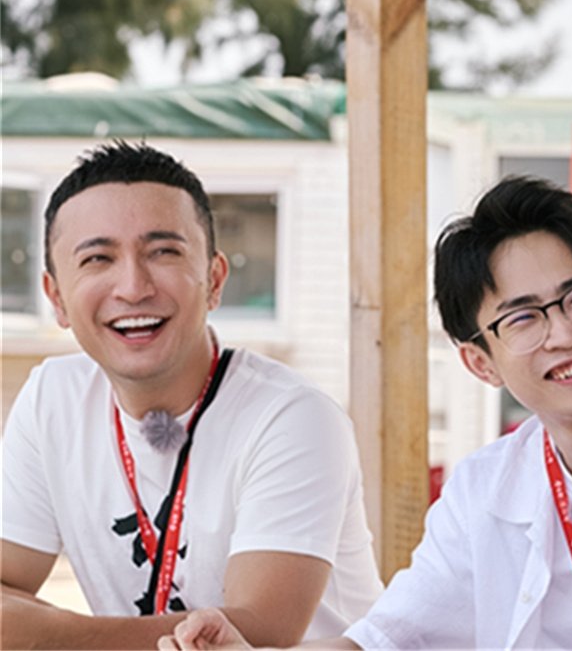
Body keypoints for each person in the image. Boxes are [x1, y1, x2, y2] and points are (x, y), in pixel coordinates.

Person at [162, 175, 572, 650]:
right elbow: (385, 641)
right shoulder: (486, 484)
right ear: (480, 362)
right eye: (523, 318)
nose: (564, 333)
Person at [1, 142, 383, 649]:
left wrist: (51, 636)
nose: (133, 287)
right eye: (98, 258)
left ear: (214, 280)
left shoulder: (294, 416)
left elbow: (257, 631)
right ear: (57, 298)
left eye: (163, 252)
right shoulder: (53, 398)